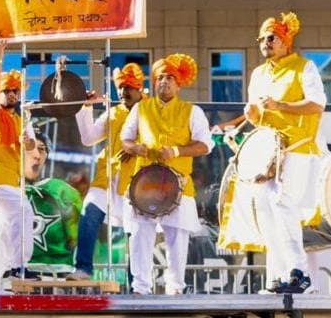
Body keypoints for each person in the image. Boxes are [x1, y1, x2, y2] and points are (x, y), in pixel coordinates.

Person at [243, 12, 326, 294]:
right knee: (265, 209)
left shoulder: (305, 67)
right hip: (268, 150)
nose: (265, 42)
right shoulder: (258, 73)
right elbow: (259, 116)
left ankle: (299, 273)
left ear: (286, 40)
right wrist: (252, 113)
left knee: (282, 203)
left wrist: (281, 106)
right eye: (262, 39)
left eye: (271, 37)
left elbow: (317, 105)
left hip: (298, 147)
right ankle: (277, 277)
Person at [120, 53, 212, 295]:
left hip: (178, 182)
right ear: (154, 82)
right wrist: (135, 147)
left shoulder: (192, 111)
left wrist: (177, 150)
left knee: (177, 237)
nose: (164, 82)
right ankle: (140, 287)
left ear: (179, 84)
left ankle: (175, 287)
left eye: (170, 78)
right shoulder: (140, 108)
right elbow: (125, 139)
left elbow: (205, 145)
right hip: (145, 182)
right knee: (140, 234)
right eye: (160, 77)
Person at [69, 62, 147, 280]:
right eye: (121, 88)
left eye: (129, 88)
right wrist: (86, 107)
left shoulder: (152, 111)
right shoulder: (113, 113)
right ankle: (83, 268)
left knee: (136, 234)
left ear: (140, 88)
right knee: (89, 213)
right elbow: (88, 138)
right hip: (107, 178)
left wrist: (137, 149)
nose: (123, 92)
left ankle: (136, 283)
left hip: (138, 182)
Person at [0, 41, 38, 284]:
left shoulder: (21, 118)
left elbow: (32, 145)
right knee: (24, 211)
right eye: (7, 90)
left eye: (15, 91)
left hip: (13, 180)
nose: (11, 94)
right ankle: (19, 266)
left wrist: (28, 142)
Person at [24, 135, 82, 267]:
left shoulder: (62, 191)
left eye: (42, 149)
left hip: (56, 276)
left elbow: (76, 239)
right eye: (29, 149)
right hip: (9, 278)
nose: (37, 155)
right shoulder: (0, 192)